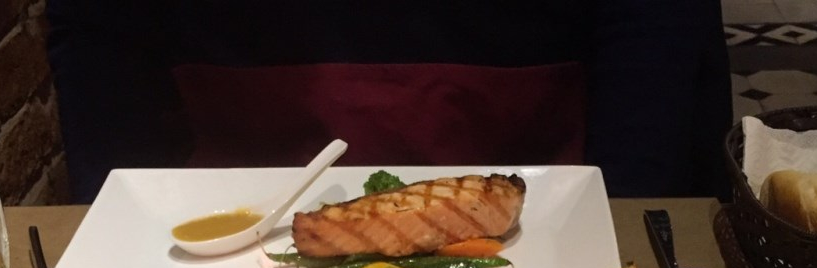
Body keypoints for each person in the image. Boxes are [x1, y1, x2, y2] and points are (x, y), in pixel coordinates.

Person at [44, 0, 733, 201]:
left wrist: (622, 211)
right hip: (234, 218)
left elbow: (658, 30)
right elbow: (101, 38)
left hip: (545, 205)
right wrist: (117, 217)